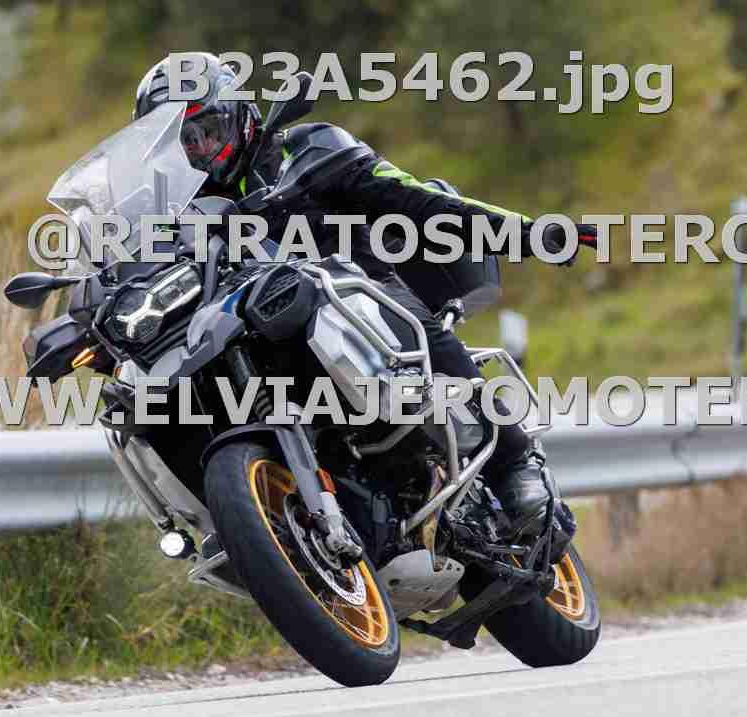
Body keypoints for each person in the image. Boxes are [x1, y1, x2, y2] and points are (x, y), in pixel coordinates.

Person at [135, 54, 594, 537]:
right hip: (258, 334)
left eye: (207, 131)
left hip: (359, 296)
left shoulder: (306, 149)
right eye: (184, 142)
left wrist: (526, 232)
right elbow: (136, 266)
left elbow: (416, 200)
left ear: (240, 115)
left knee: (394, 312)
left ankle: (513, 462)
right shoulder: (176, 214)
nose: (200, 150)